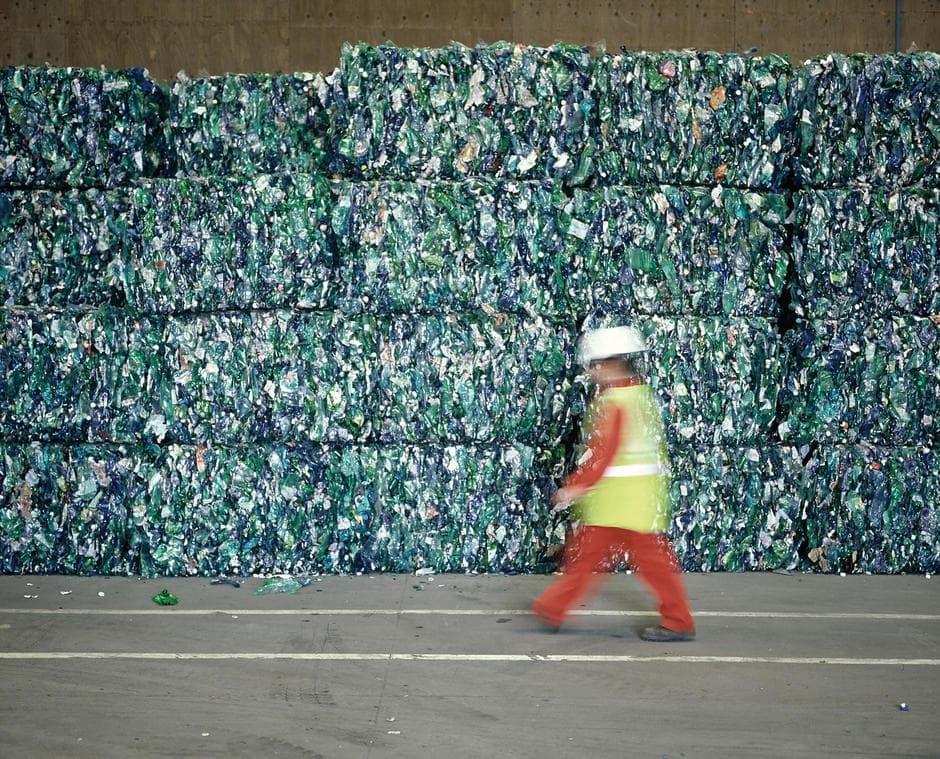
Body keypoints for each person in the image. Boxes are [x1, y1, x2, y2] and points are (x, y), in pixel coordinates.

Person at [532, 326, 696, 642]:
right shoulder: (638, 393)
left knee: (642, 564)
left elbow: (605, 454)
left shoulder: (615, 402)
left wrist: (573, 488)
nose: (592, 372)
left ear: (610, 363)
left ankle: (679, 621)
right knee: (591, 558)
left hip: (621, 501)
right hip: (632, 500)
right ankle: (552, 608)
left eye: (595, 365)